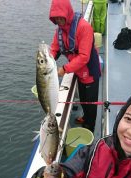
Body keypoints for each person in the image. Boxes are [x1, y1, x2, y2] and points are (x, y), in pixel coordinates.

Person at [49, 0, 101, 132]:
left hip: (90, 72)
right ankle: (85, 117)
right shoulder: (60, 31)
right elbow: (55, 48)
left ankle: (90, 126)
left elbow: (84, 57)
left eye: (61, 16)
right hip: (78, 71)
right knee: (83, 99)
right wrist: (47, 59)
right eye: (56, 17)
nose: (59, 20)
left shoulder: (84, 27)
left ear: (68, 13)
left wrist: (64, 69)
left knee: (90, 103)